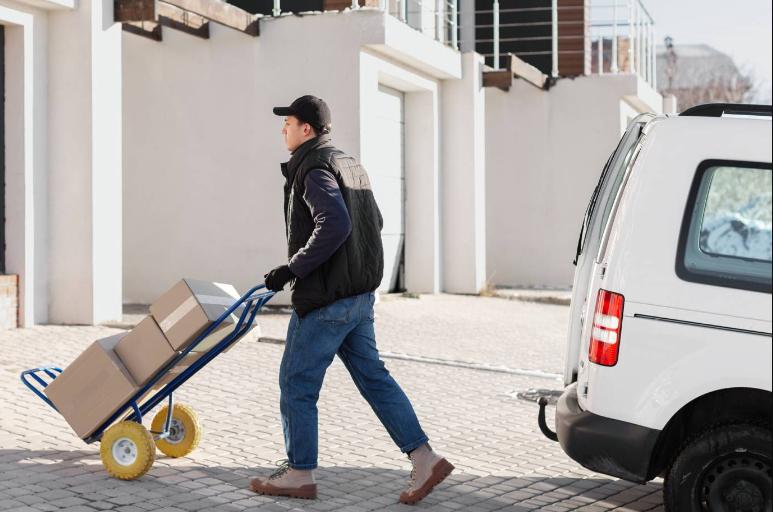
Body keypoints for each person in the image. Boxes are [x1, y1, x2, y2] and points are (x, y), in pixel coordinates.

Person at [249, 95, 454, 504]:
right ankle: (425, 458)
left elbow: (335, 223)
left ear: (307, 128)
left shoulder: (313, 168)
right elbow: (373, 220)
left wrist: (294, 268)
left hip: (326, 300)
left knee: (296, 383)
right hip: (358, 298)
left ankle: (300, 473)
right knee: (375, 379)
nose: (283, 129)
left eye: (288, 122)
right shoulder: (348, 163)